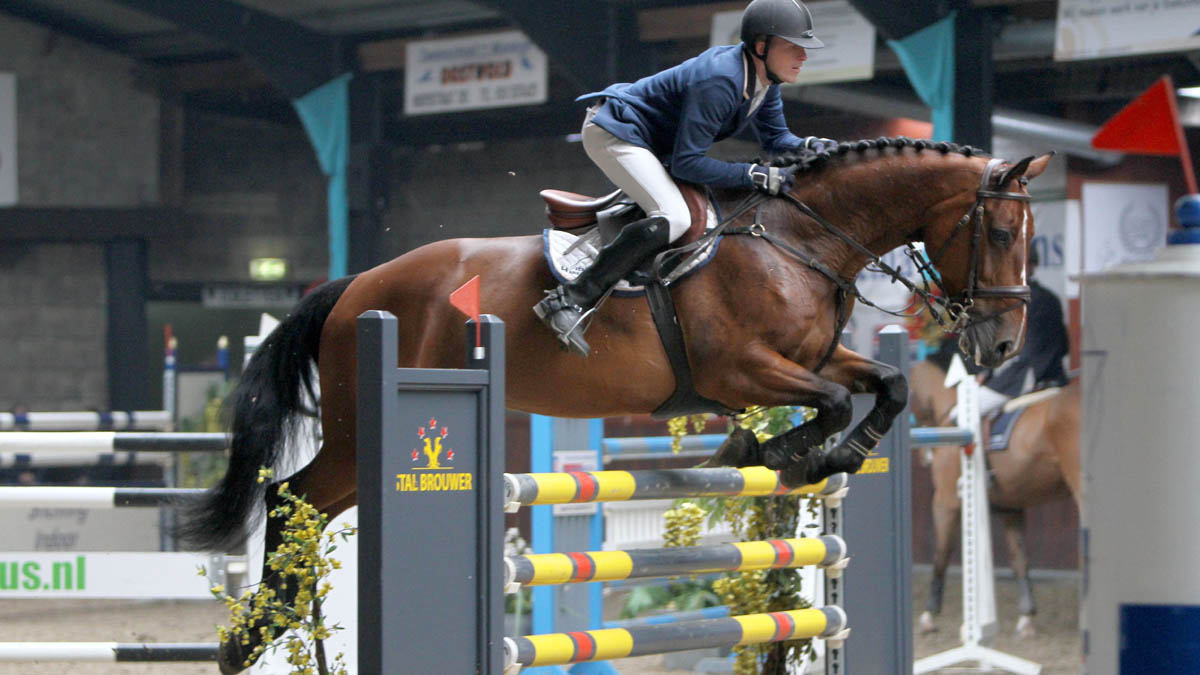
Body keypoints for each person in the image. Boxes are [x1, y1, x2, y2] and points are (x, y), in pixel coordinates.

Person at [533, 0, 836, 356]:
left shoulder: (764, 80)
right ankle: (568, 300)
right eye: (793, 47)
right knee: (674, 217)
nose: (803, 56)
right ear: (761, 46)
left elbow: (777, 141)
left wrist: (809, 146)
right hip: (616, 132)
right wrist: (752, 174)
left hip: (651, 142)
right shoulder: (721, 81)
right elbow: (688, 163)